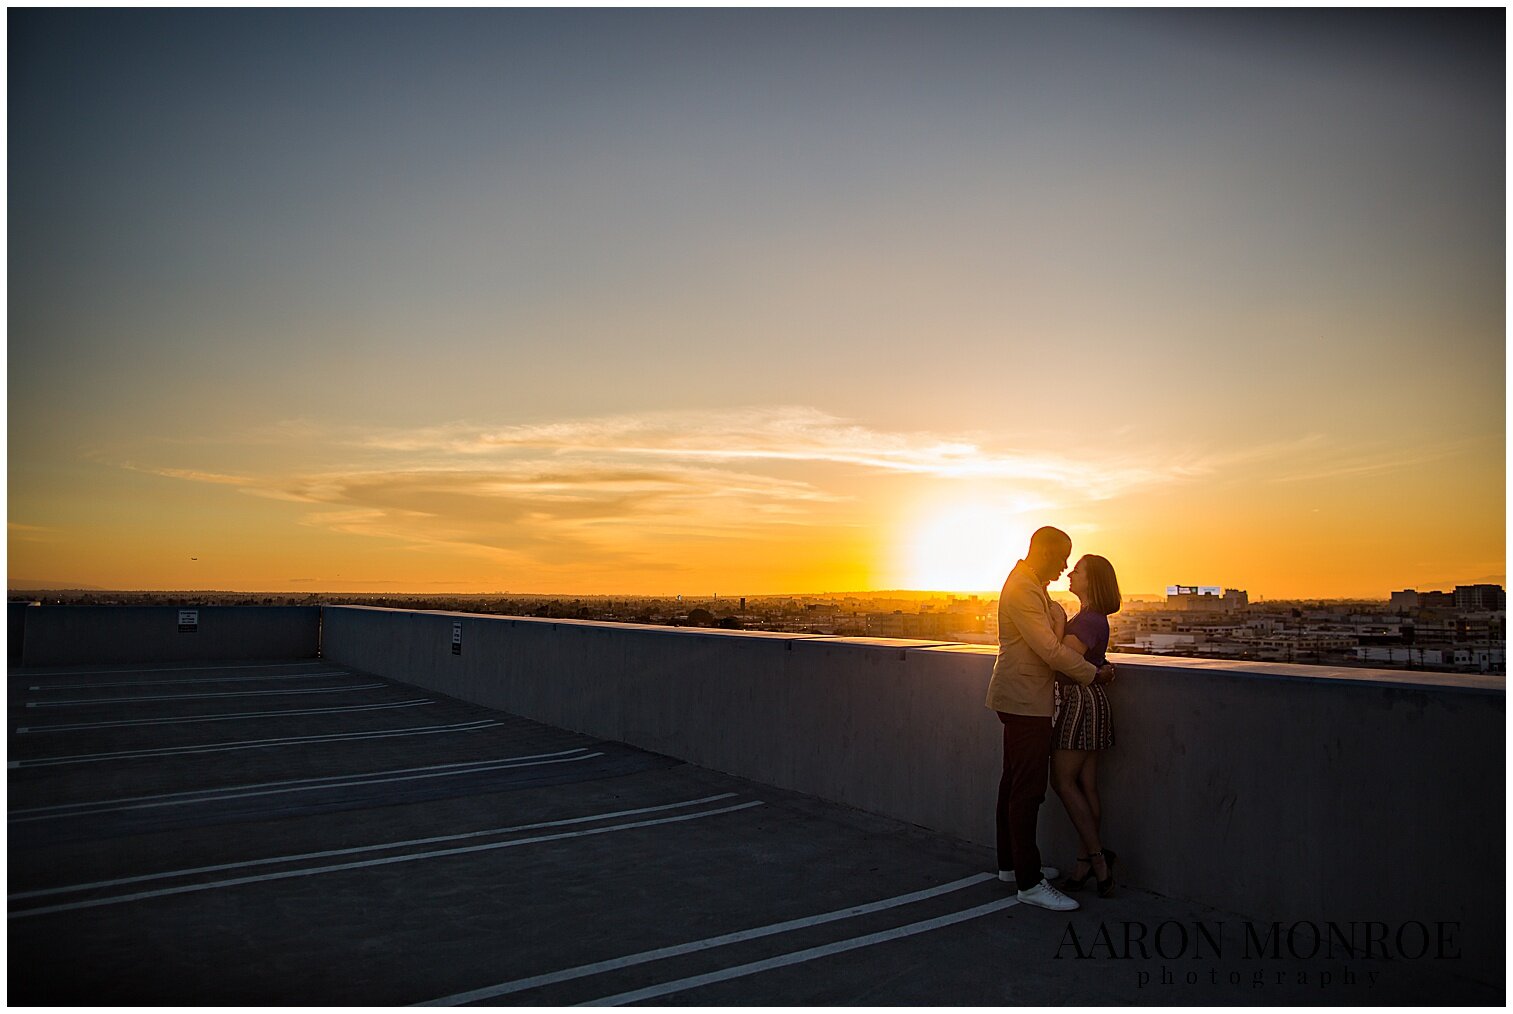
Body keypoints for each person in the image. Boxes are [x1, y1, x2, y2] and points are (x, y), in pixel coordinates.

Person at [986, 527, 1116, 912]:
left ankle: (1011, 865)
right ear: (1042, 552)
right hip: (1025, 699)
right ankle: (1029, 883)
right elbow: (1049, 649)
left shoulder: (1030, 584)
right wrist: (1094, 674)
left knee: (1013, 783)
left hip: (1021, 697)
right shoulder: (1024, 589)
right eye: (1061, 558)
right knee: (1027, 790)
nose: (1064, 567)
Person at [1050, 554, 1121, 898]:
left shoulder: (1089, 620)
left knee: (1063, 781)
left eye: (1077, 570)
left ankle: (1097, 859)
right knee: (1087, 784)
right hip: (1092, 701)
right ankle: (1084, 862)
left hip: (1080, 703)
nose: (1070, 573)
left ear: (1091, 581)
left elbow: (1063, 660)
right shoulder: (1092, 618)